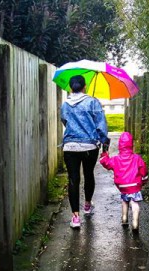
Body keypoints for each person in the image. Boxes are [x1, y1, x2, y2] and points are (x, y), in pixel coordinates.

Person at [61, 75, 110, 229]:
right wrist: (104, 143)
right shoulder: (93, 102)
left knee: (73, 179)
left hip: (70, 146)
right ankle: (87, 205)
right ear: (84, 87)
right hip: (90, 146)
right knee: (88, 174)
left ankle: (75, 218)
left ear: (71, 88)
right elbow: (101, 125)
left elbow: (64, 121)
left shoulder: (65, 104)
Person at [99, 131, 148, 231]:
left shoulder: (116, 159)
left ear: (120, 146)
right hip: (135, 185)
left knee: (125, 201)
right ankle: (135, 222)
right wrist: (144, 180)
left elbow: (106, 163)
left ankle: (124, 218)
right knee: (134, 203)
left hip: (122, 186)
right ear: (131, 145)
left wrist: (104, 154)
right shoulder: (137, 158)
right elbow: (143, 170)